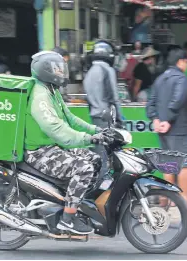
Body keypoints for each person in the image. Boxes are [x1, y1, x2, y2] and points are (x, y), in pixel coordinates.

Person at [25, 51, 111, 234]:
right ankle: (67, 218)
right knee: (84, 168)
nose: (61, 72)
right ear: (46, 70)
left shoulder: (51, 90)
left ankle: (75, 203)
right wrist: (86, 138)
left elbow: (69, 119)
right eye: (57, 69)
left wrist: (96, 130)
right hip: (39, 152)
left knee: (94, 159)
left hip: (51, 147)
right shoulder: (40, 96)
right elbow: (57, 129)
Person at [146, 49, 187, 209]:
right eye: (186, 61)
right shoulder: (181, 78)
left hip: (163, 130)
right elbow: (177, 101)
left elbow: (150, 102)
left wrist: (156, 119)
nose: (186, 64)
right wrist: (167, 120)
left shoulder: (160, 79)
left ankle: (169, 199)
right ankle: (184, 198)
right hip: (179, 128)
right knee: (185, 164)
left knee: (168, 163)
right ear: (181, 61)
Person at [83, 40, 122, 179]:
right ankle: (100, 194)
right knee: (105, 158)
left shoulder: (89, 72)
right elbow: (113, 97)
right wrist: (120, 119)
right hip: (106, 120)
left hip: (94, 118)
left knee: (98, 155)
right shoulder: (107, 70)